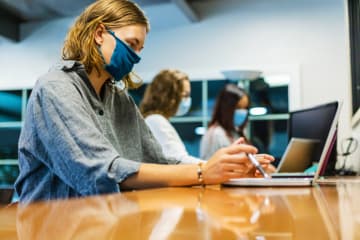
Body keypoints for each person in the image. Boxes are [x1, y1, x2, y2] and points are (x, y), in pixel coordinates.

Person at [15, 0, 274, 203]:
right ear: (98, 33)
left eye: (140, 49)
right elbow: (101, 172)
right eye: (131, 44)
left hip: (102, 222)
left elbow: (160, 162)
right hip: (51, 227)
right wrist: (203, 173)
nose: (136, 57)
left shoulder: (119, 98)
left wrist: (228, 169)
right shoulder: (55, 88)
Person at [140, 69, 202, 164]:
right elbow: (177, 161)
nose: (187, 100)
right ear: (169, 96)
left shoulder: (156, 120)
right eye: (185, 95)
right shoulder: (155, 120)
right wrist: (210, 166)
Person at [200, 84, 251, 160]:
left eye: (245, 108)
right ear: (226, 108)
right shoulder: (215, 134)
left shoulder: (237, 132)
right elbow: (209, 168)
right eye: (238, 107)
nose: (242, 112)